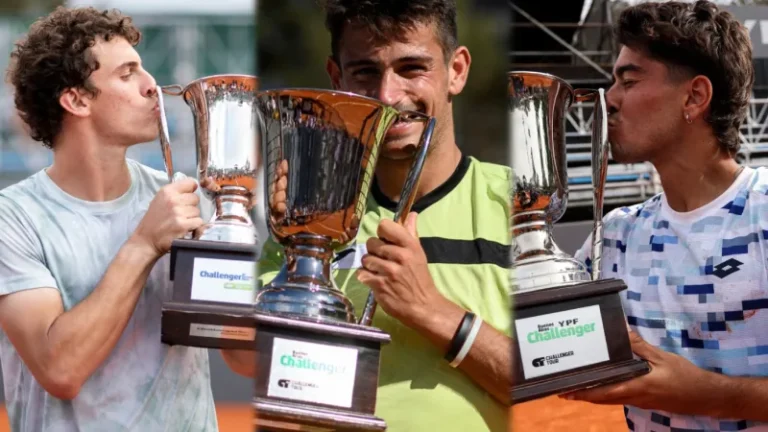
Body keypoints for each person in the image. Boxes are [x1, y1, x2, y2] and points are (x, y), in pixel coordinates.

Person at [252, 1, 513, 431]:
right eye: (366, 72)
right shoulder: (309, 213)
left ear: (457, 70)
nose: (389, 96)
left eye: (412, 68)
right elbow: (245, 363)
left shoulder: (513, 204)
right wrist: (296, 255)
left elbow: (546, 374)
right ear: (337, 78)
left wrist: (430, 310)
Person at [0, 7, 247, 431]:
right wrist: (144, 244)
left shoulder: (185, 198)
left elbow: (243, 358)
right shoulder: (13, 218)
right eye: (128, 73)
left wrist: (231, 269)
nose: (152, 86)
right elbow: (60, 370)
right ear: (76, 99)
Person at [563, 1, 768, 431]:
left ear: (694, 96)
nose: (610, 99)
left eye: (629, 81)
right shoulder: (615, 236)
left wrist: (701, 394)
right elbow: (537, 340)